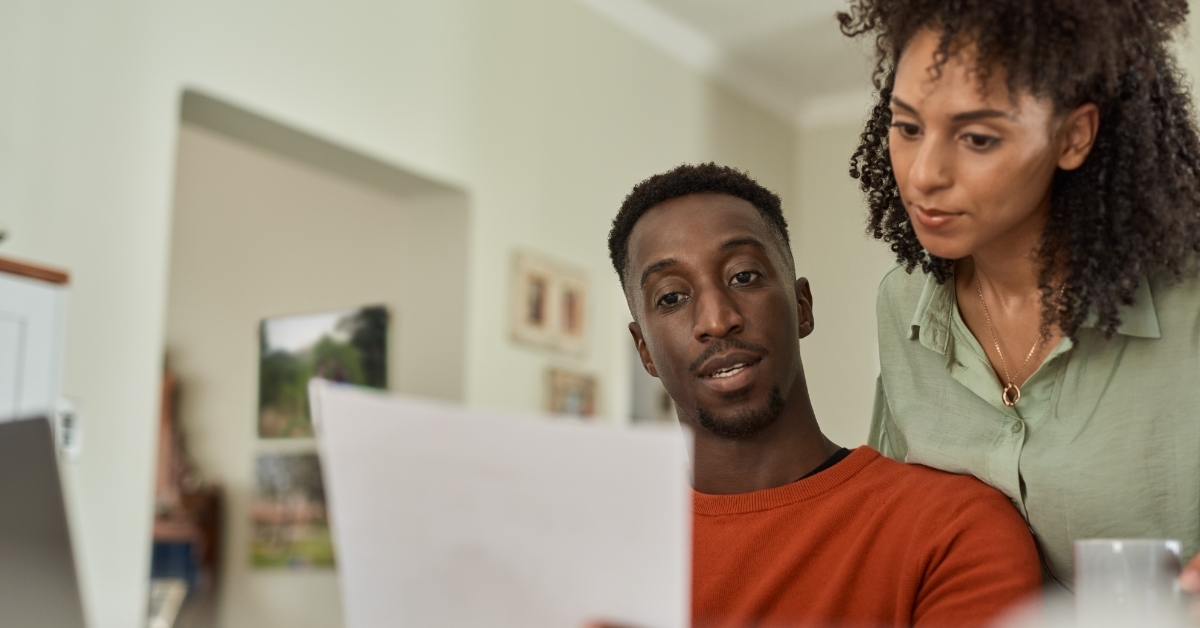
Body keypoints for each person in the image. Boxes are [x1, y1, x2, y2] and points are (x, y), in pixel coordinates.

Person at [839, 0, 1200, 591]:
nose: (924, 172)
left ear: (1073, 136)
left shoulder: (1190, 306)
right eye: (907, 127)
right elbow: (903, 525)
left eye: (977, 138)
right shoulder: (902, 304)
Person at [606, 163, 1040, 628]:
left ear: (802, 307)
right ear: (644, 351)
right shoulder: (606, 556)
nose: (716, 318)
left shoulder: (951, 528)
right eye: (671, 297)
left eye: (744, 276)